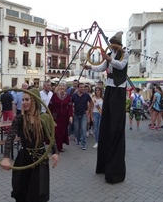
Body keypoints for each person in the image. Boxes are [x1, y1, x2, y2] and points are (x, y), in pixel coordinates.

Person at [84, 31, 129, 183]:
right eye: (112, 43)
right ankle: (104, 164)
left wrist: (109, 58)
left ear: (119, 44)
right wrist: (90, 66)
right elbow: (102, 67)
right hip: (109, 88)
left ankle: (115, 168)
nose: (113, 46)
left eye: (115, 43)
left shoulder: (125, 53)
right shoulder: (110, 53)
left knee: (116, 124)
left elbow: (121, 65)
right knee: (106, 124)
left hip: (119, 89)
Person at [0, 88, 59, 202]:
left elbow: (51, 138)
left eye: (27, 99)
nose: (24, 102)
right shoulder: (20, 119)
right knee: (21, 190)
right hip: (24, 158)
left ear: (34, 100)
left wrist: (55, 152)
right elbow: (10, 137)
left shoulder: (45, 118)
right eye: (22, 100)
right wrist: (6, 157)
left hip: (40, 159)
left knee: (37, 193)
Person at [48, 81, 73, 152]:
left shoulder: (68, 96)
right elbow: (50, 106)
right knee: (55, 132)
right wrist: (48, 115)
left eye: (63, 86)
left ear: (66, 88)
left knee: (62, 132)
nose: (62, 87)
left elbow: (70, 107)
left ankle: (60, 146)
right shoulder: (55, 95)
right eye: (61, 86)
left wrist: (70, 116)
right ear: (58, 87)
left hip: (64, 118)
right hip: (55, 117)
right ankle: (54, 147)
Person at [71, 82, 93, 151]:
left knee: (83, 129)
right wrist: (72, 109)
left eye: (83, 87)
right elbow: (70, 103)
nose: (82, 88)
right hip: (76, 114)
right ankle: (78, 140)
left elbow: (91, 102)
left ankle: (84, 144)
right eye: (81, 87)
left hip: (84, 114)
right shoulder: (74, 95)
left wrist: (88, 110)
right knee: (76, 130)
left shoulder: (86, 95)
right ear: (78, 88)